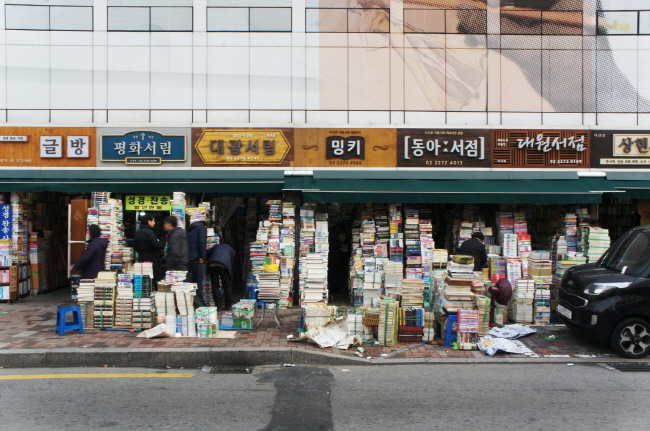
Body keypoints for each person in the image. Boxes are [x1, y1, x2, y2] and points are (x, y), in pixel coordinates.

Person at [206, 242, 236, 310]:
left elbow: (207, 252)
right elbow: (231, 263)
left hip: (212, 264)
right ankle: (228, 306)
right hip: (224, 265)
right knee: (227, 285)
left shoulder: (216, 246)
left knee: (215, 286)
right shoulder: (232, 250)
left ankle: (218, 306)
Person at [133, 214, 163, 282]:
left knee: (144, 278)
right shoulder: (150, 232)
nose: (154, 223)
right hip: (152, 259)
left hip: (141, 259)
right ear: (149, 221)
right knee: (153, 277)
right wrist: (158, 242)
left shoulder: (137, 232)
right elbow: (156, 245)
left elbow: (135, 246)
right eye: (153, 221)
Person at [186, 220, 207, 307]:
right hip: (196, 258)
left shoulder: (189, 231)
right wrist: (202, 257)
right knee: (199, 282)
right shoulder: (201, 229)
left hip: (188, 259)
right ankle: (200, 304)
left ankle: (192, 303)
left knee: (191, 283)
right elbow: (202, 242)